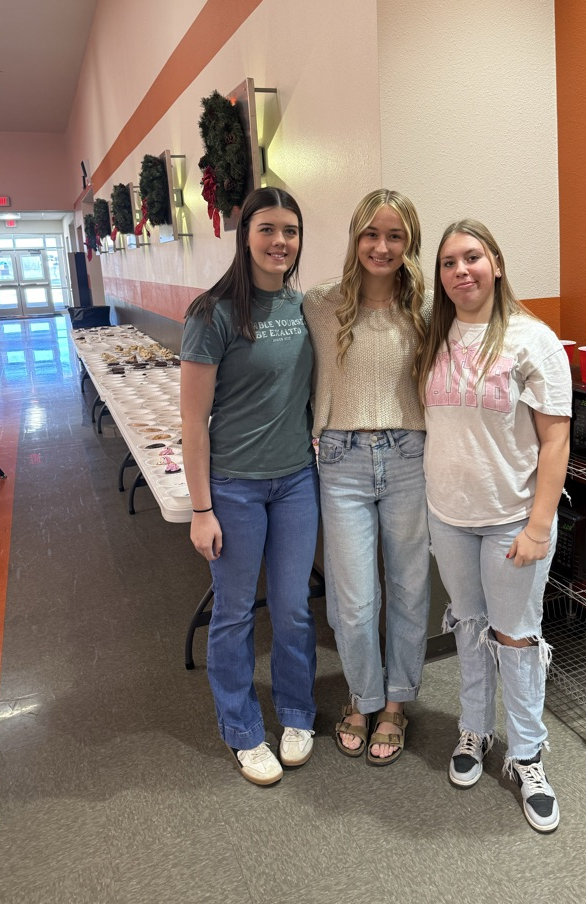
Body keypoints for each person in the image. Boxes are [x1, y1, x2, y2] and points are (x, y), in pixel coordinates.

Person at [419, 219, 571, 832]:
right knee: (469, 625)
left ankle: (527, 754)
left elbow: (555, 441)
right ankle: (475, 729)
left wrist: (539, 526)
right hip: (449, 516)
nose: (461, 271)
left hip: (513, 519)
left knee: (515, 637)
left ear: (497, 264)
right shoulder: (433, 337)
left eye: (473, 257)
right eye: (449, 262)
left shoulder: (533, 340)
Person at [180, 187, 319, 787]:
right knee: (234, 614)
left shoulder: (305, 308)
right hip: (234, 487)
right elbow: (192, 422)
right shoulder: (212, 314)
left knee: (292, 609)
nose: (279, 241)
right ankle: (240, 728)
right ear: (245, 236)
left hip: (297, 482)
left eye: (290, 230)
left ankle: (296, 712)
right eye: (267, 229)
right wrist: (201, 509)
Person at [303, 189, 432, 765]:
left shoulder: (426, 309)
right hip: (342, 459)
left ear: (410, 243)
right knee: (354, 600)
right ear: (355, 237)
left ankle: (395, 703)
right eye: (371, 234)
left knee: (409, 589)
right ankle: (362, 696)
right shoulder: (319, 304)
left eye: (395, 236)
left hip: (409, 456)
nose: (382, 246)